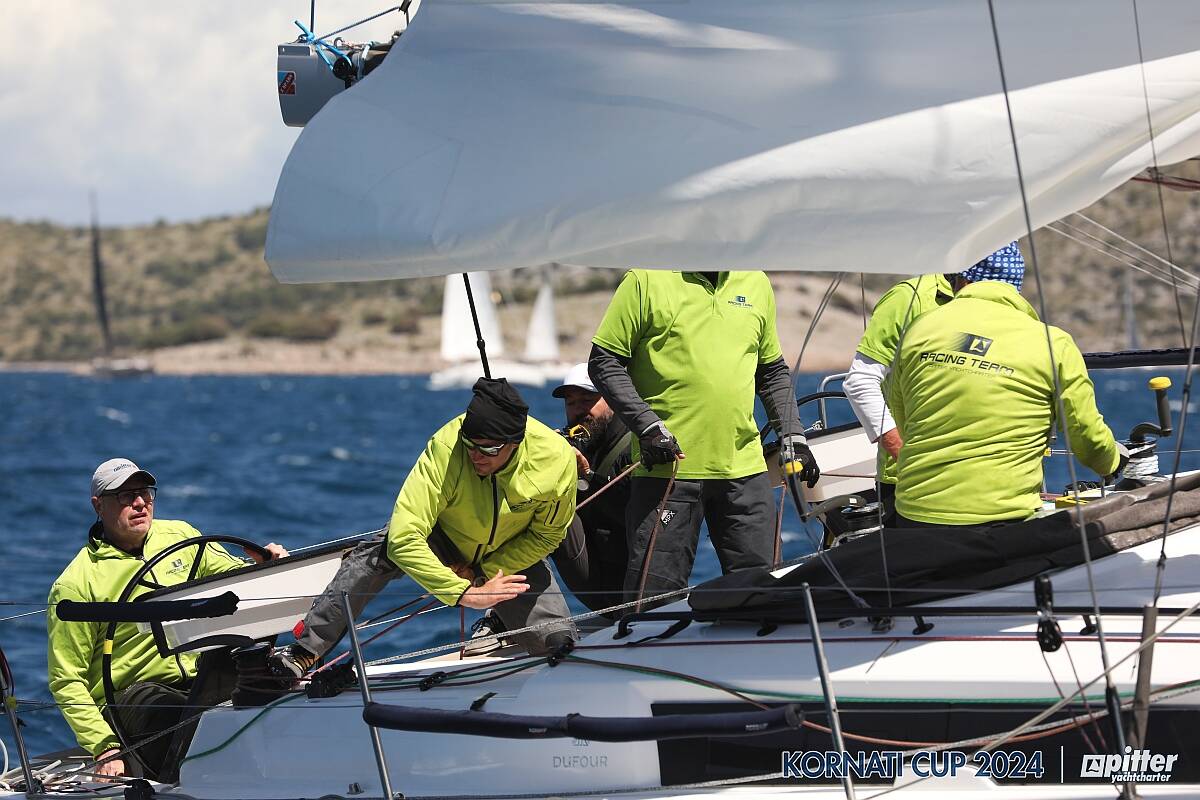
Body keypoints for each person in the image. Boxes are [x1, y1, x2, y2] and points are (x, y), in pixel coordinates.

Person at [271, 377, 578, 679]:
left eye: (487, 450)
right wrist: (462, 592)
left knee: (560, 645)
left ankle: (501, 621)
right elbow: (404, 537)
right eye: (470, 445)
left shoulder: (556, 459)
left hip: (509, 553)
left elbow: (547, 535)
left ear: (515, 443)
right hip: (443, 537)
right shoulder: (447, 445)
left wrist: (483, 573)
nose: (475, 456)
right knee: (376, 554)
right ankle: (304, 651)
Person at [588, 270, 820, 608]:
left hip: (745, 469)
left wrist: (794, 436)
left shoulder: (756, 282)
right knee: (653, 603)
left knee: (766, 595)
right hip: (668, 471)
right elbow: (604, 361)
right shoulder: (644, 280)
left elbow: (771, 371)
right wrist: (648, 427)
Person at [46, 459, 287, 779]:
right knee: (171, 714)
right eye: (125, 495)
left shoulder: (181, 536)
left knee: (278, 691)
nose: (139, 503)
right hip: (131, 696)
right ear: (98, 505)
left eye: (145, 493)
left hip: (199, 679)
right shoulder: (76, 583)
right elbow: (67, 680)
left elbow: (231, 577)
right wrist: (105, 747)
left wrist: (261, 566)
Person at [889, 243, 1122, 527]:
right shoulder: (1053, 343)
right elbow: (1087, 437)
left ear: (963, 279)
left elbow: (902, 416)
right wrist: (1112, 463)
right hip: (1001, 521)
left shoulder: (920, 327)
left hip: (914, 516)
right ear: (1015, 285)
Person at [844, 273, 956, 522]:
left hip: (979, 479)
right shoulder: (908, 297)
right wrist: (905, 458)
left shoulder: (1003, 306)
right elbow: (859, 381)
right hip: (909, 480)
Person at [550, 363, 632, 615]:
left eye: (587, 400)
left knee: (550, 508)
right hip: (596, 578)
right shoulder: (577, 442)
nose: (579, 410)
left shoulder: (634, 446)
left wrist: (586, 477)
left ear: (613, 399)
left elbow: (640, 518)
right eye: (571, 403)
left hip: (630, 585)